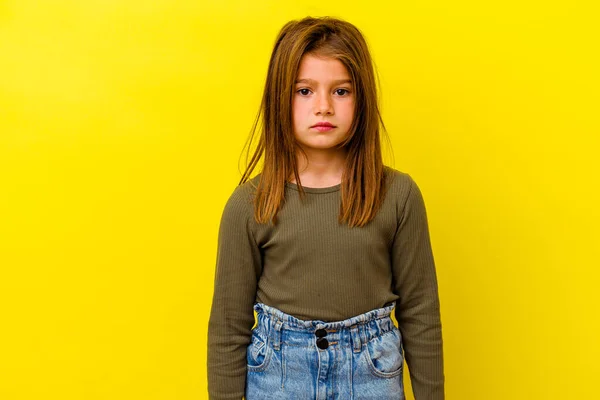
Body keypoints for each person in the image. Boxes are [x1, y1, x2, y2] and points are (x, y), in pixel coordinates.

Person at [207, 16, 444, 400]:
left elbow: (421, 315)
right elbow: (227, 329)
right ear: (279, 98)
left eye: (341, 91)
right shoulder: (248, 206)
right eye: (304, 90)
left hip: (372, 377)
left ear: (361, 98)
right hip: (278, 380)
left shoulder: (399, 196)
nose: (323, 107)